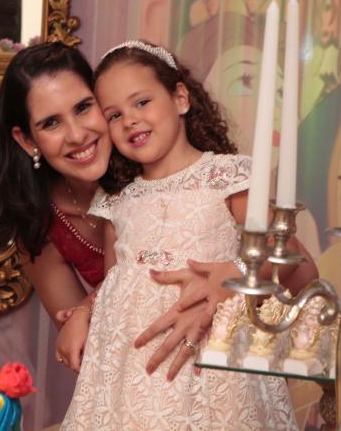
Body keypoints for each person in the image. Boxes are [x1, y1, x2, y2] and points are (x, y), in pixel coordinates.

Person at [60, 40, 313, 430]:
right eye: (114, 114)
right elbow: (117, 280)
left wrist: (234, 277)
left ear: (180, 98)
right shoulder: (116, 201)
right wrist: (82, 312)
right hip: (130, 380)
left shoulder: (227, 177)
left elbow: (290, 255)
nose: (130, 120)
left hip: (211, 370)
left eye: (142, 102)